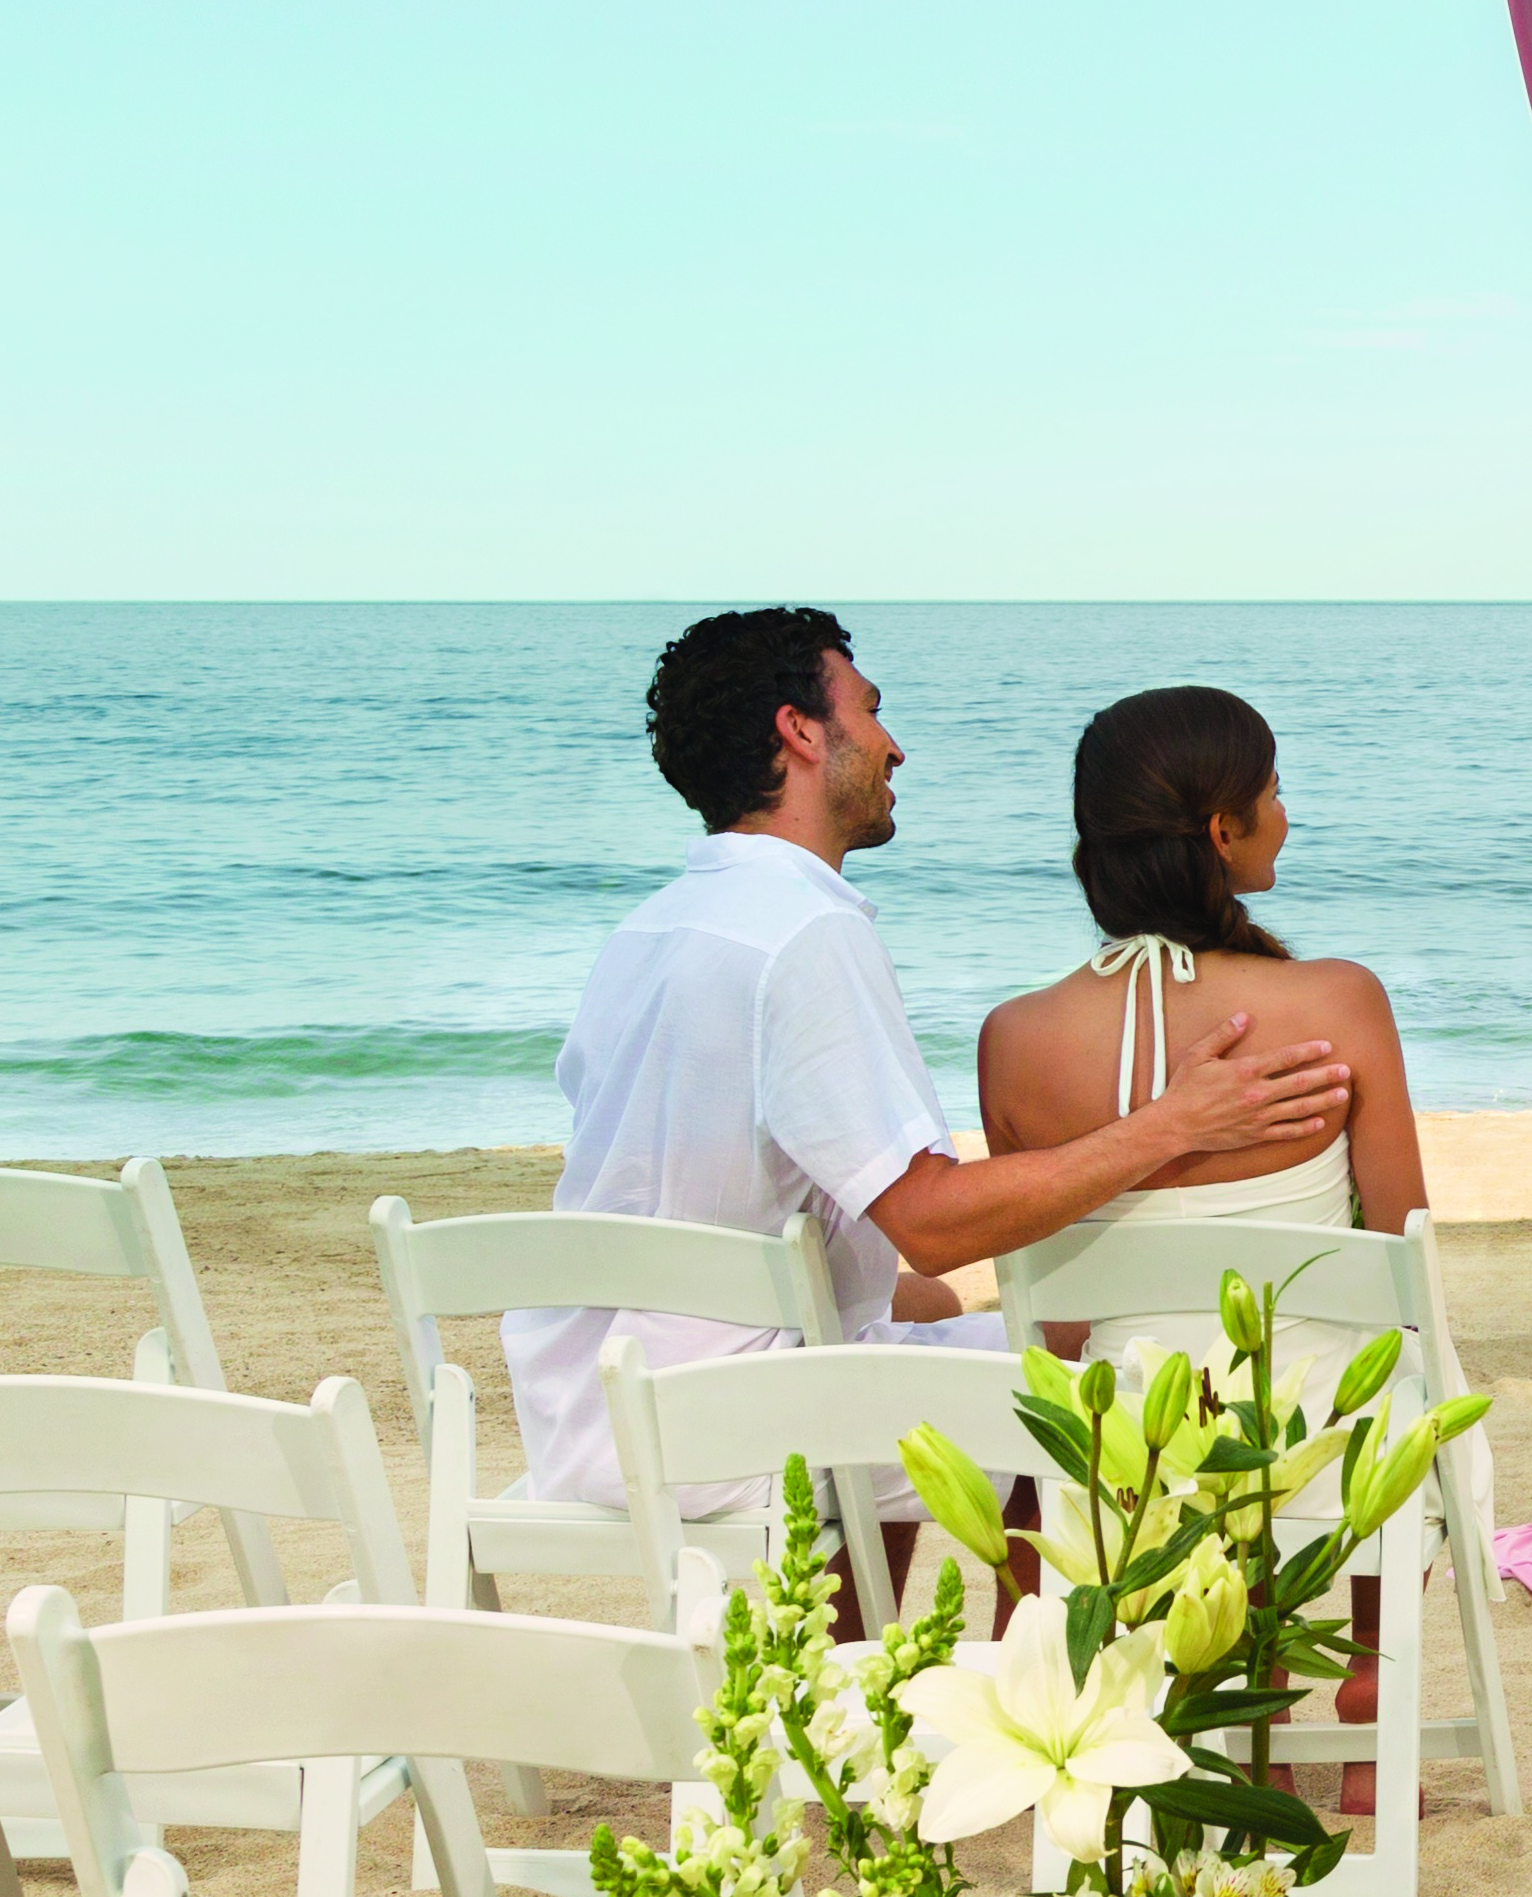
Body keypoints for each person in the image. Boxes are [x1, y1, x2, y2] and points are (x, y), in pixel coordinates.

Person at [511, 610, 1348, 1508]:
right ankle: (1008, 1643)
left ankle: (856, 1636)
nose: (893, 746)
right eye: (868, 712)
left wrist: (895, 1296)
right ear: (799, 732)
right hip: (720, 1426)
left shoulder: (655, 928)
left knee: (931, 1316)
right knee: (1087, 1384)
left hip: (589, 1400)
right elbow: (936, 1226)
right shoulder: (806, 932)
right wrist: (1171, 1125)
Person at [973, 685, 1426, 1361]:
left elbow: (1059, 1328)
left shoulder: (1013, 1039)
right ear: (1222, 832)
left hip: (1119, 1453)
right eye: (1274, 794)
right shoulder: (1340, 1001)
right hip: (1326, 1441)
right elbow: (1404, 1269)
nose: (1284, 817)